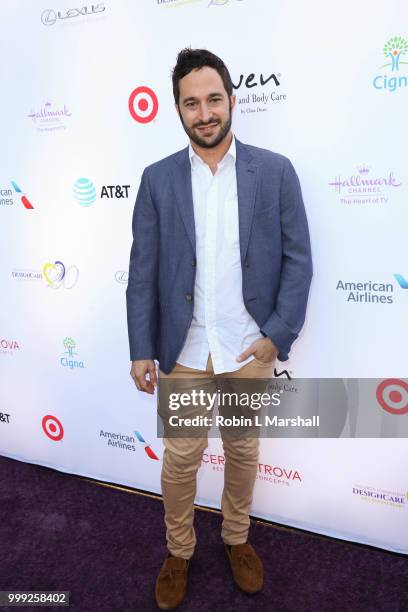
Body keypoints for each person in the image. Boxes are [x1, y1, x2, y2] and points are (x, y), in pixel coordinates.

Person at [126, 48, 312, 610]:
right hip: (183, 352)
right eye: (191, 103)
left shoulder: (274, 171)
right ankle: (179, 550)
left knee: (242, 450)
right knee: (181, 460)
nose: (204, 112)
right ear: (177, 110)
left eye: (213, 99)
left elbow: (298, 260)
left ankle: (236, 539)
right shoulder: (157, 179)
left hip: (247, 349)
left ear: (232, 100)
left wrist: (277, 334)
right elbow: (143, 271)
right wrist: (141, 347)